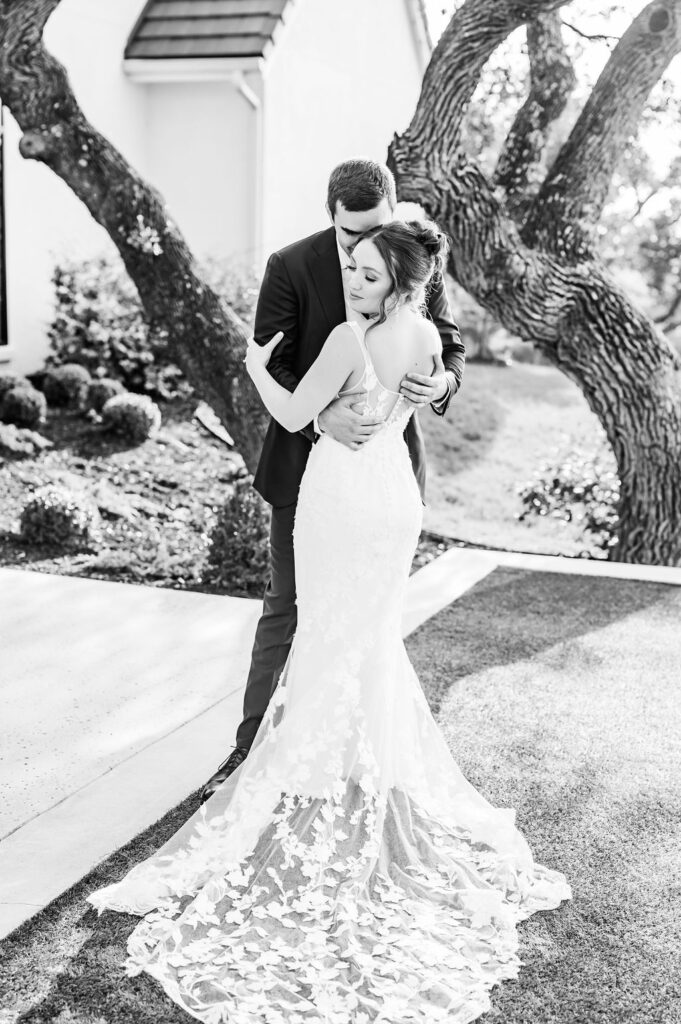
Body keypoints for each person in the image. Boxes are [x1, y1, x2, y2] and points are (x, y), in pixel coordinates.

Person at [88, 219, 571, 1024]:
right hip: (393, 502)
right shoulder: (421, 337)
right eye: (353, 268)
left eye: (371, 274)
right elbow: (426, 385)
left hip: (345, 498)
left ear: (403, 284)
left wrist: (253, 364)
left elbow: (288, 410)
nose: (354, 282)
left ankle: (315, 771)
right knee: (367, 638)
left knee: (325, 631)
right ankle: (358, 766)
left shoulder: (351, 339)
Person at [199, 158, 465, 803]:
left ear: (393, 211)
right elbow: (276, 357)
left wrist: (441, 384)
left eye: (374, 231)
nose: (357, 256)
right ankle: (250, 749)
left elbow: (448, 346)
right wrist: (323, 415)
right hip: (311, 472)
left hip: (385, 470)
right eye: (349, 240)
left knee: (368, 616)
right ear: (331, 220)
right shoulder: (290, 267)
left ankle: (355, 751)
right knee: (289, 607)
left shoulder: (407, 258)